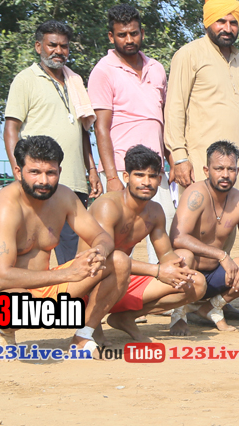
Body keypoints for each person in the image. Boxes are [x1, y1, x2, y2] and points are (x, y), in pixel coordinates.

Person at [0, 136, 128, 356]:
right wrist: (69, 274)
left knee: (119, 261)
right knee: (19, 304)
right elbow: (2, 277)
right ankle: (3, 330)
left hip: (46, 286)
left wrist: (99, 252)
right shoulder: (4, 208)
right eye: (34, 172)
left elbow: (102, 236)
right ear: (18, 172)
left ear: (59, 171)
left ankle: (83, 336)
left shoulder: (64, 196)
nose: (43, 181)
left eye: (51, 173)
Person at [3, 20, 98, 265]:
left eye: (64, 46)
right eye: (52, 45)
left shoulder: (75, 81)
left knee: (75, 258)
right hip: (41, 183)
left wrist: (92, 170)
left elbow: (82, 131)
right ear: (39, 47)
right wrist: (20, 172)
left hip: (74, 183)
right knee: (35, 253)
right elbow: (11, 129)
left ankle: (69, 291)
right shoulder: (25, 80)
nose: (58, 51)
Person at [86, 145, 201, 341]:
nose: (146, 182)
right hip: (88, 282)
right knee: (115, 261)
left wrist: (179, 268)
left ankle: (126, 317)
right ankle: (90, 324)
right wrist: (158, 271)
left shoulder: (155, 211)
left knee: (196, 284)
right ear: (126, 177)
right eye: (139, 175)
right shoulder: (108, 206)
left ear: (159, 179)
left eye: (152, 176)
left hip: (121, 280)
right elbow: (103, 258)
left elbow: (166, 254)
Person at [89, 4, 174, 263]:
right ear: (111, 37)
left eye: (134, 33)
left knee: (164, 229)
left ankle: (160, 286)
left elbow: (163, 121)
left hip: (155, 171)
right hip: (120, 170)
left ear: (142, 33)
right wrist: (112, 177)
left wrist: (172, 163)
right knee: (118, 242)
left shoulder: (156, 68)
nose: (129, 39)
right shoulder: (103, 71)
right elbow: (101, 127)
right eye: (122, 34)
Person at [170, 141, 239, 331]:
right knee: (184, 256)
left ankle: (212, 307)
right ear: (206, 170)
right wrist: (221, 255)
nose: (225, 175)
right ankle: (178, 313)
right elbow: (178, 238)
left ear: (237, 171)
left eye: (231, 169)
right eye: (219, 169)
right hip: (189, 275)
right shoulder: (195, 194)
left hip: (217, 276)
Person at [165, 0, 239, 192]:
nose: (228, 28)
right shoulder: (189, 54)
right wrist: (179, 158)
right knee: (199, 211)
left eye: (233, 23)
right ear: (207, 23)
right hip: (199, 165)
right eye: (221, 21)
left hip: (234, 166)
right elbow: (174, 108)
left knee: (234, 212)